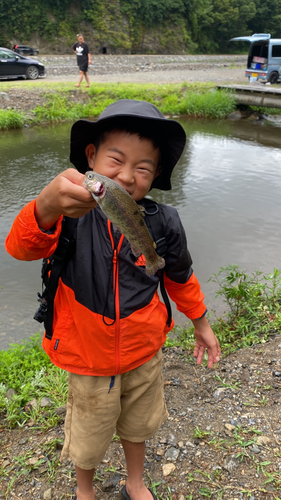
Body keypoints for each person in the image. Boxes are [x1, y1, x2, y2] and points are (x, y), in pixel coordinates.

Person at [5, 99, 221, 500]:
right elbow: (19, 247)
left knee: (139, 426)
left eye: (142, 168)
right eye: (115, 160)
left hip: (144, 351)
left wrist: (202, 324)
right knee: (87, 439)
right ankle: (84, 490)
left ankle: (134, 482)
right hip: (88, 358)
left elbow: (179, 276)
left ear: (155, 174)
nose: (126, 176)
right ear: (91, 156)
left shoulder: (164, 221)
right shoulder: (68, 213)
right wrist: (46, 205)